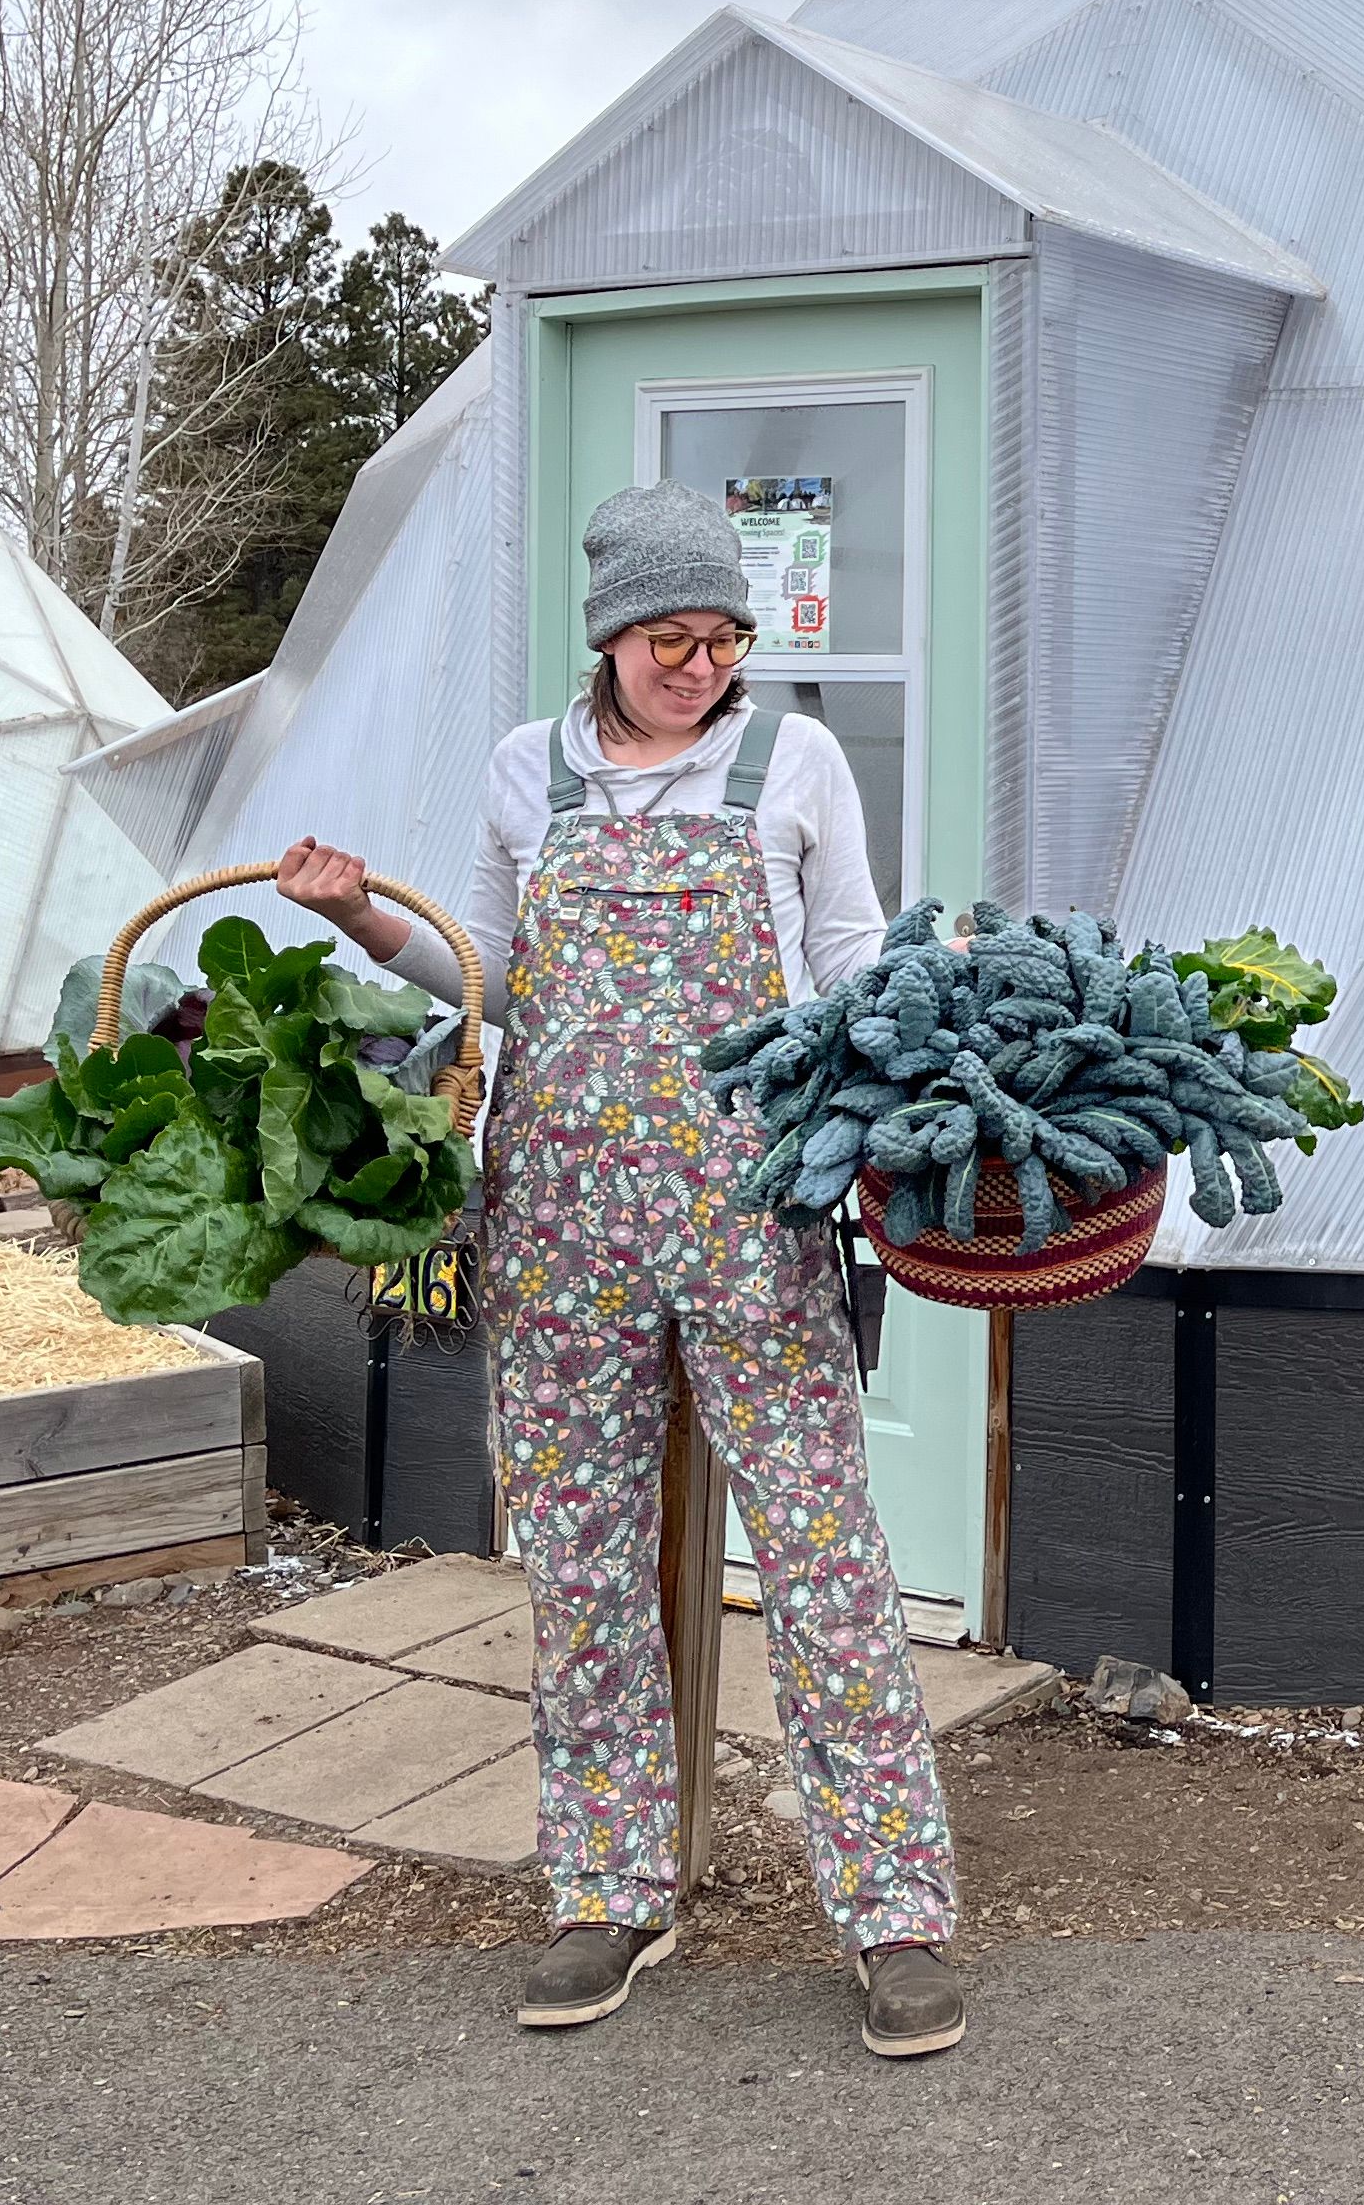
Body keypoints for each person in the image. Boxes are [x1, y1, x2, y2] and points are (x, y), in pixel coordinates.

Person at [275, 480, 964, 2053]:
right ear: (610, 638)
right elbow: (497, 976)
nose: (702, 667)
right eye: (673, 640)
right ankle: (607, 1889)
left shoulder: (795, 761)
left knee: (822, 1553)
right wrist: (368, 916)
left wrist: (925, 1035)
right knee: (580, 1555)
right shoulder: (532, 770)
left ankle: (896, 1912)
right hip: (565, 1221)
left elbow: (846, 950)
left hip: (750, 1216)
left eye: (726, 640)